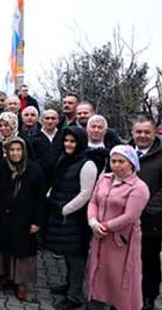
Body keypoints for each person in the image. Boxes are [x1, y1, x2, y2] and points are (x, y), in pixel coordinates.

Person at [86, 145, 150, 310]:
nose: (116, 165)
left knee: (119, 278)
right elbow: (93, 201)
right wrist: (93, 222)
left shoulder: (139, 187)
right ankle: (96, 303)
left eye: (121, 161)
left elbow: (130, 216)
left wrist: (104, 227)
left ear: (132, 163)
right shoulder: (104, 179)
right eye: (113, 161)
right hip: (99, 235)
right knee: (98, 273)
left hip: (121, 241)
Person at [130, 117, 162, 310]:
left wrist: (146, 208)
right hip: (125, 221)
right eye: (138, 132)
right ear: (133, 133)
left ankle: (149, 297)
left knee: (149, 261)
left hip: (150, 222)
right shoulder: (125, 152)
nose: (142, 136)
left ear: (154, 133)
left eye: (146, 132)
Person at [45, 126, 98, 310]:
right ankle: (69, 286)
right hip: (62, 214)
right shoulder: (65, 159)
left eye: (72, 141)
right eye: (66, 140)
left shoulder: (87, 164)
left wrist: (65, 209)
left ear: (80, 142)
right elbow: (58, 180)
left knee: (76, 258)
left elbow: (85, 194)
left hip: (75, 219)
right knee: (67, 254)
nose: (68, 144)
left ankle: (75, 297)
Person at [0, 137, 45, 301]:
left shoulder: (34, 170)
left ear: (24, 151)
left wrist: (37, 221)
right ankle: (4, 276)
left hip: (24, 219)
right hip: (3, 217)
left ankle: (20, 282)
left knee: (21, 250)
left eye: (18, 150)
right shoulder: (0, 167)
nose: (15, 153)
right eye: (12, 150)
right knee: (3, 249)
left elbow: (41, 199)